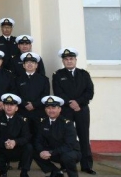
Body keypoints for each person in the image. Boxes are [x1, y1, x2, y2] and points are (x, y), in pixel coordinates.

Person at [52, 47, 95, 175]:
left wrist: (78, 102)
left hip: (81, 109)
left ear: (75, 60)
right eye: (66, 59)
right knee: (66, 137)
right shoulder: (58, 75)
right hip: (66, 110)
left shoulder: (84, 74)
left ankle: (86, 165)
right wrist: (71, 103)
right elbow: (58, 92)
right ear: (63, 61)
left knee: (83, 136)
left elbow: (90, 92)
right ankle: (66, 164)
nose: (69, 61)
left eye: (71, 59)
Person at [34, 96, 81, 177]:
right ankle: (56, 172)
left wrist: (51, 152)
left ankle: (73, 175)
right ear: (45, 110)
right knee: (33, 151)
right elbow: (38, 140)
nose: (51, 110)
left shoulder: (67, 123)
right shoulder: (42, 122)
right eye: (48, 108)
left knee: (67, 157)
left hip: (70, 152)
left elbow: (69, 145)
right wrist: (41, 151)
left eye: (53, 108)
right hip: (53, 152)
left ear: (59, 109)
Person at [0, 94, 32, 177]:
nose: (9, 107)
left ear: (16, 108)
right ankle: (3, 170)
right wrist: (4, 143)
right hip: (2, 148)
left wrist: (15, 142)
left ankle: (24, 172)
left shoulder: (22, 120)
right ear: (3, 106)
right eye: (6, 105)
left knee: (29, 147)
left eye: (12, 105)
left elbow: (26, 137)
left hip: (16, 149)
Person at [14, 52, 50, 132]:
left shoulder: (44, 79)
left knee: (38, 136)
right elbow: (16, 94)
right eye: (27, 62)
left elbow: (45, 95)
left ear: (36, 65)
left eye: (32, 62)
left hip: (38, 112)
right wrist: (25, 104)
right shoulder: (17, 79)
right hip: (22, 112)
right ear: (23, 65)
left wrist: (34, 104)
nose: (29, 64)